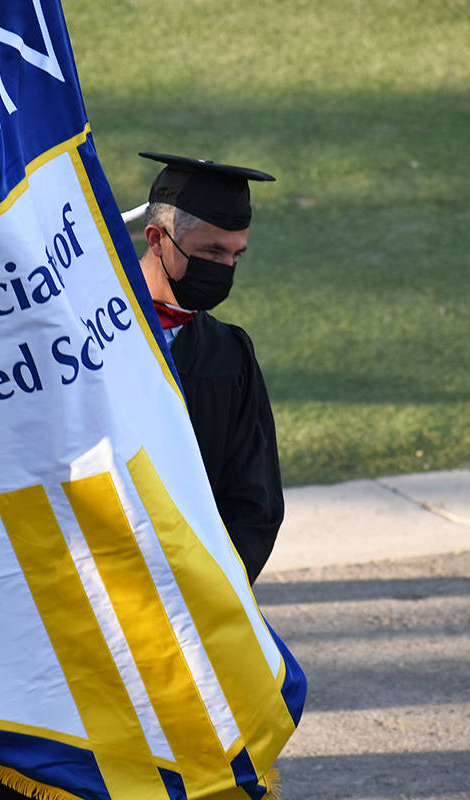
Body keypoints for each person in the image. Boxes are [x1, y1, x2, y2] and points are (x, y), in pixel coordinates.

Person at [135, 151, 284, 584]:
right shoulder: (90, 337)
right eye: (212, 251)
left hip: (189, 591)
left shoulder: (228, 355)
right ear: (157, 239)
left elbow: (254, 504)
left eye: (236, 256)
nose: (224, 268)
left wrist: (213, 592)